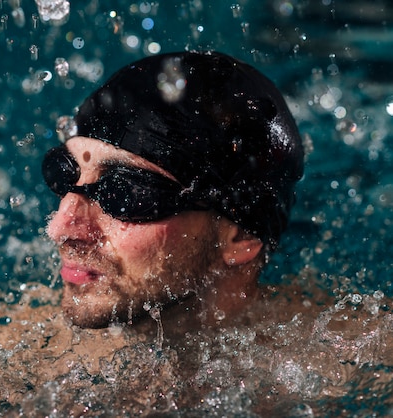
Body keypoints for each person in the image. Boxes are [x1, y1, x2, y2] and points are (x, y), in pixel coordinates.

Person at [42, 50, 304, 329]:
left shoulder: (345, 361)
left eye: (123, 192)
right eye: (64, 174)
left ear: (242, 234)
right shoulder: (8, 346)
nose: (60, 229)